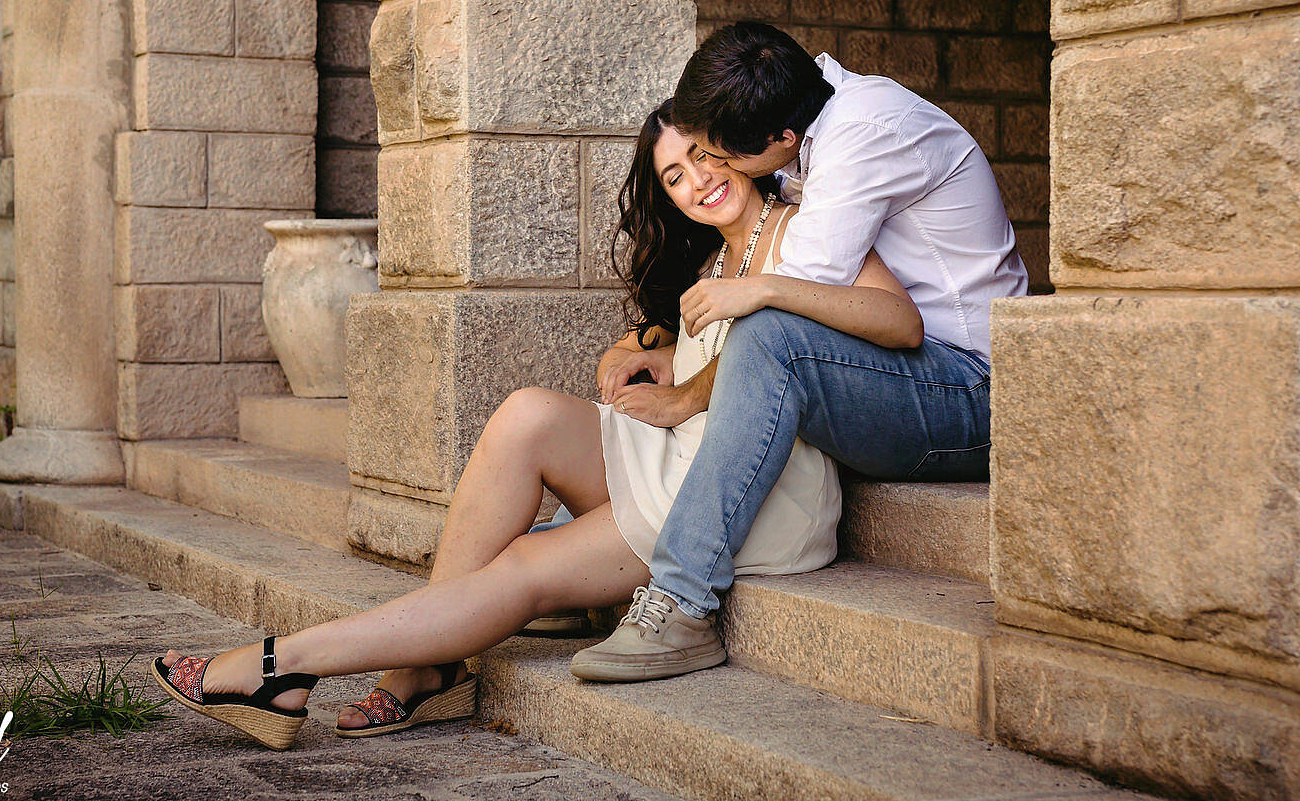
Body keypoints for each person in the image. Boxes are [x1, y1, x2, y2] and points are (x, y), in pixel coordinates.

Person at [151, 100, 925, 749]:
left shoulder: (805, 233)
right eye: (675, 176)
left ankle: (283, 666)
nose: (699, 181)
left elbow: (899, 323)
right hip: (685, 454)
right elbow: (707, 348)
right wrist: (645, 344)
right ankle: (430, 665)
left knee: (524, 564)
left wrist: (769, 294)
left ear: (734, 143)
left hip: (752, 494)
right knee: (526, 414)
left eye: (702, 154)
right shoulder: (712, 268)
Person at [569, 22, 1029, 682]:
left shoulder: (859, 137)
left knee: (766, 333)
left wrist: (686, 398)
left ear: (780, 141)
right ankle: (568, 567)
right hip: (911, 374)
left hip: (975, 392)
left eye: (716, 151)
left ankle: (682, 602)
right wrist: (659, 338)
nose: (709, 166)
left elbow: (790, 311)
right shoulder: (813, 114)